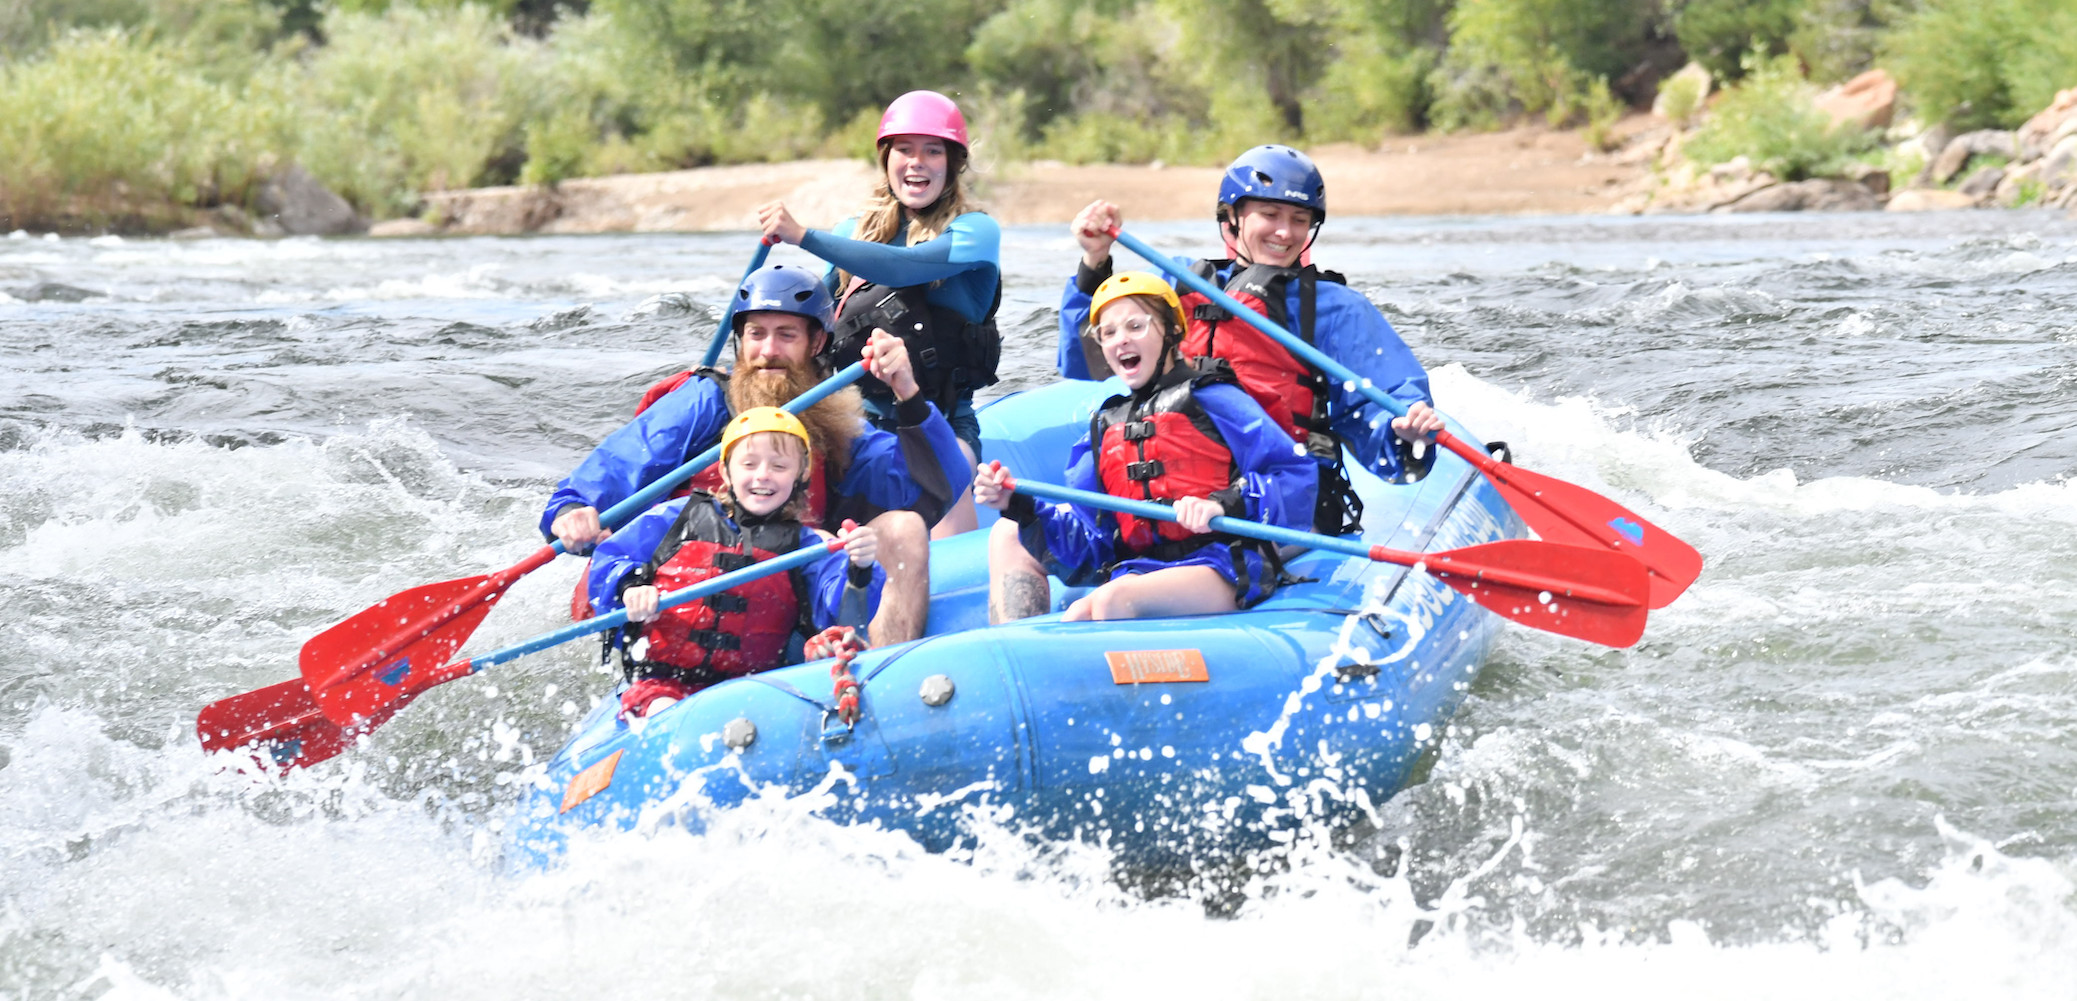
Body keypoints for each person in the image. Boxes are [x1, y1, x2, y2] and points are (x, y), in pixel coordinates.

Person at [541, 263, 970, 647]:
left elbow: (940, 486)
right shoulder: (706, 401)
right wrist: (574, 509)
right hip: (674, 603)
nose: (768, 351)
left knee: (905, 527)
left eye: (786, 335)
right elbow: (621, 462)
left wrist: (906, 392)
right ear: (740, 339)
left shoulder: (834, 423)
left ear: (816, 342)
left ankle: (881, 674)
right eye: (757, 334)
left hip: (775, 608)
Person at [1058, 144, 1446, 536]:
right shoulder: (1177, 284)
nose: (1286, 232)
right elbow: (1089, 360)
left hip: (1278, 502)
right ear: (1231, 218)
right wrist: (1095, 260)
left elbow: (1384, 401)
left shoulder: (1334, 308)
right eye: (1270, 215)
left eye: (1299, 219)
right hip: (1175, 496)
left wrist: (1404, 427)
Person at [974, 272, 1315, 623]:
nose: (1121, 340)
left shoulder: (1215, 400)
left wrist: (1222, 503)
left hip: (1223, 561)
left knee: (1113, 601)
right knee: (1075, 615)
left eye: (1136, 326)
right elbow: (1093, 542)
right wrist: (1018, 505)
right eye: (1109, 333)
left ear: (1171, 332)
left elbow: (1295, 476)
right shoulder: (1106, 427)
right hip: (1142, 568)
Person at [756, 89, 1001, 538]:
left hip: (941, 426)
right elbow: (811, 328)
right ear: (886, 159)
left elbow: (905, 266)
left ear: (953, 164)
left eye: (932, 151)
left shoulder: (976, 231)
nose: (916, 162)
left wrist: (804, 235)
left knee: (945, 488)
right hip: (854, 423)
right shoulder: (852, 233)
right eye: (904, 150)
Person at [586, 408, 883, 719]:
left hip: (756, 688)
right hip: (663, 685)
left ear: (801, 474)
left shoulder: (806, 548)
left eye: (779, 465)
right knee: (667, 715)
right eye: (749, 464)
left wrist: (860, 566)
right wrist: (632, 585)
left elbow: (845, 610)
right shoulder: (678, 519)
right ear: (727, 472)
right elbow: (611, 557)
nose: (763, 475)